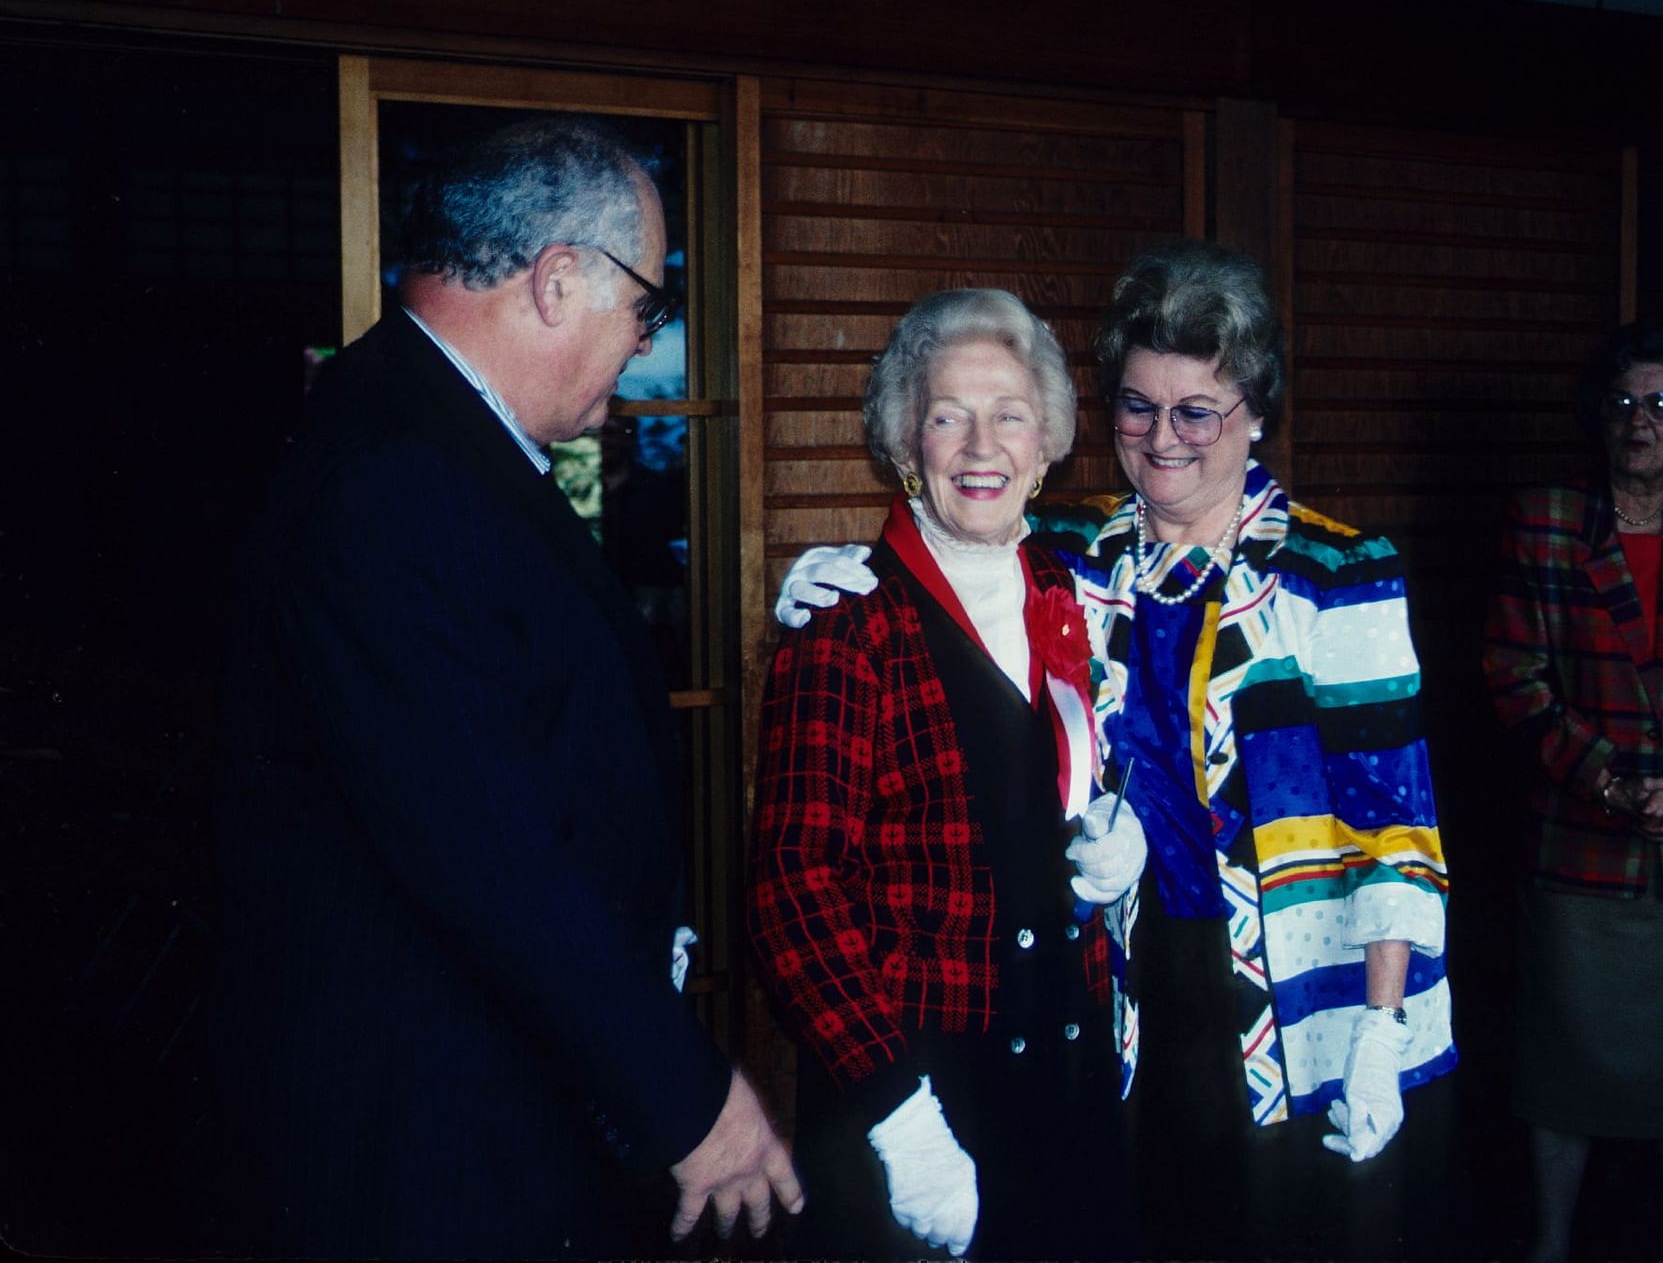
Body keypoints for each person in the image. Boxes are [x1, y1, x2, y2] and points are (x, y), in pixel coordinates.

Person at [779, 242, 1455, 1260]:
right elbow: (960, 524)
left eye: (1199, 410)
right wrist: (836, 567)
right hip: (1139, 998)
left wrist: (1381, 1024)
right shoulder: (1080, 548)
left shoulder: (1339, 571)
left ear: (1257, 414)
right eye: (1138, 406)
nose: (1163, 437)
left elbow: (1395, 826)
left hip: (1315, 995)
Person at [205, 117, 800, 1258]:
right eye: (647, 305)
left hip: (486, 1097)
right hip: (426, 1136)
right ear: (558, 280)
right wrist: (689, 1096)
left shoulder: (429, 436)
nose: (641, 342)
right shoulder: (396, 476)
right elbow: (489, 847)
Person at [747, 288, 1140, 1261]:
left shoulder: (1074, 590)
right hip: (918, 1098)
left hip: (1069, 1077)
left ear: (1046, 441)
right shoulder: (847, 618)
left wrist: (1115, 860)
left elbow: (1098, 775)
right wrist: (899, 1115)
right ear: (903, 440)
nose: (980, 445)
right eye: (946, 414)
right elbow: (790, 890)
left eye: (1009, 414)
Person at [1484, 318, 1663, 1263]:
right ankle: (1551, 1241)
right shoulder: (1550, 518)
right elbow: (1514, 676)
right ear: (1598, 419)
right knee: (1565, 1059)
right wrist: (1611, 784)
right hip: (1577, 842)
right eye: (1624, 403)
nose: (1642, 421)